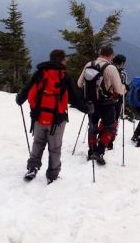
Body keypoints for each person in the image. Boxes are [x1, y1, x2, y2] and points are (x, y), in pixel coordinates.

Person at [16, 49, 88, 183]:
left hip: (39, 116)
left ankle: (32, 167)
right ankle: (52, 175)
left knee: (38, 143)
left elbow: (28, 87)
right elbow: (74, 96)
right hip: (57, 120)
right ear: (62, 60)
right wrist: (86, 108)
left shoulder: (40, 72)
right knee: (54, 148)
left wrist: (20, 98)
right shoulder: (64, 75)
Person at [77, 45, 126, 165]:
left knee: (92, 127)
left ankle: (91, 151)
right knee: (110, 127)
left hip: (91, 102)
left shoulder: (89, 64)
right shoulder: (111, 68)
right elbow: (119, 90)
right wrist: (124, 88)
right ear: (110, 55)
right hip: (106, 103)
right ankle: (99, 151)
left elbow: (79, 83)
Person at [103, 53, 127, 150]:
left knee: (105, 119)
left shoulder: (107, 68)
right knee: (115, 120)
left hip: (106, 98)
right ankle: (109, 141)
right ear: (122, 63)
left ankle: (102, 136)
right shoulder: (122, 73)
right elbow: (123, 87)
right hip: (117, 100)